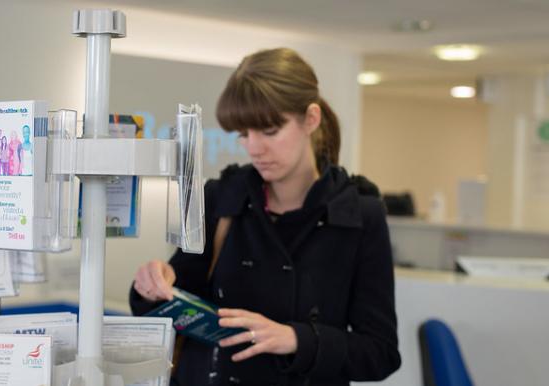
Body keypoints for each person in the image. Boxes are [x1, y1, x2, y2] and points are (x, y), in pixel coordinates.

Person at [129, 48, 401, 386]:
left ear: (311, 119)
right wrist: (153, 286)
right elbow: (177, 302)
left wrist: (296, 339)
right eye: (244, 134)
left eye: (269, 131)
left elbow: (380, 353)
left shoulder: (360, 215)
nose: (254, 148)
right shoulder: (221, 197)